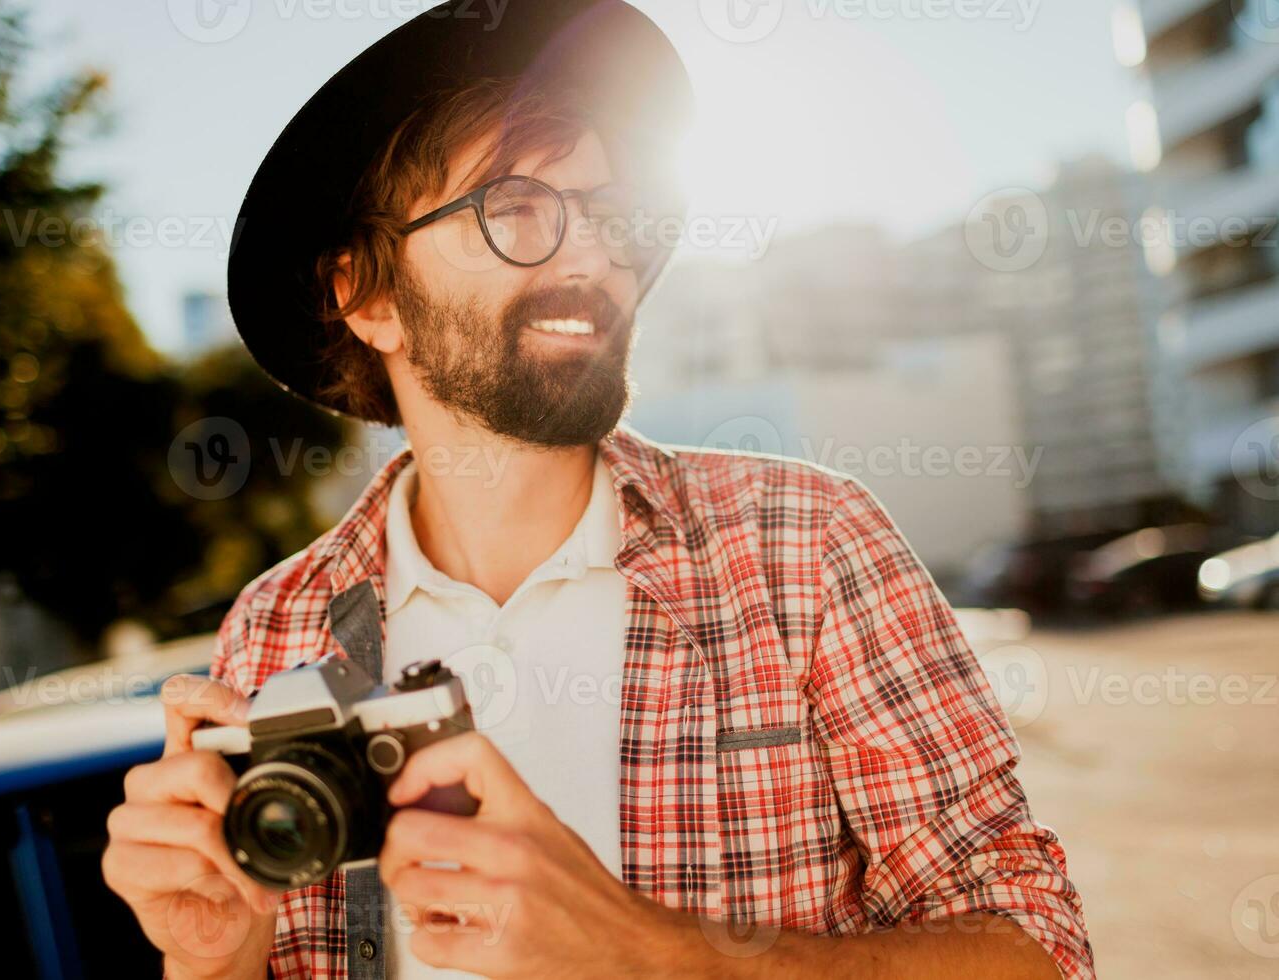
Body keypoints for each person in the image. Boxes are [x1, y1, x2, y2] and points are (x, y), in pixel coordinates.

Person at [102, 2, 1094, 978]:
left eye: (613, 215)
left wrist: (646, 951)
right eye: (519, 207)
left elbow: (1040, 950)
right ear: (366, 292)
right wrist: (213, 962)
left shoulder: (806, 546)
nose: (595, 257)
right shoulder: (274, 630)